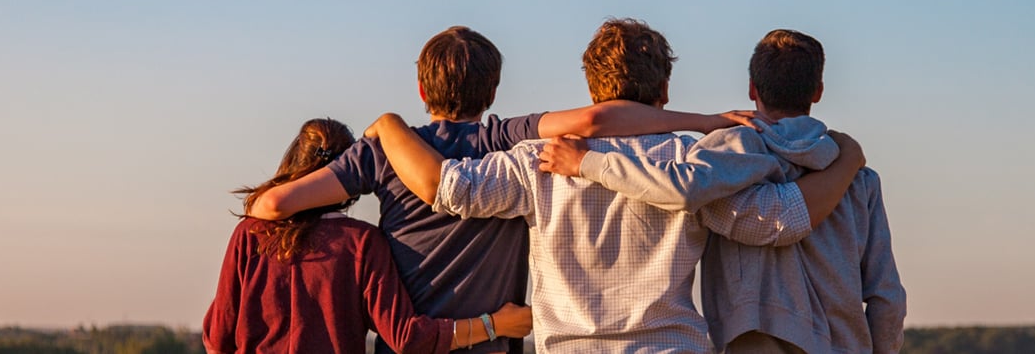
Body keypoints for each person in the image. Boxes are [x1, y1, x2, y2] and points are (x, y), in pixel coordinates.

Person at [246, 26, 789, 353]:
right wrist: (703, 122)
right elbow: (599, 121)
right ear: (494, 88)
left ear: (420, 87)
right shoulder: (503, 138)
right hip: (501, 339)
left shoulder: (391, 150)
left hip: (414, 341)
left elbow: (271, 206)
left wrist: (385, 131)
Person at [365, 18, 867, 352]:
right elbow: (779, 221)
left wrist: (389, 126)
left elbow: (448, 189)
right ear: (665, 89)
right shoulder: (691, 162)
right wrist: (846, 162)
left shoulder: (537, 161)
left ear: (591, 88)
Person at [539, 29, 907, 353]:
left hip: (756, 339)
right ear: (818, 91)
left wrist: (588, 163)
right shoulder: (860, 179)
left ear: (752, 89)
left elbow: (684, 188)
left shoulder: (725, 159)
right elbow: (886, 294)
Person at [202, 118, 534, 354]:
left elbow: (218, 339)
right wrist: (495, 325)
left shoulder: (250, 233)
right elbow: (406, 338)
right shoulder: (361, 243)